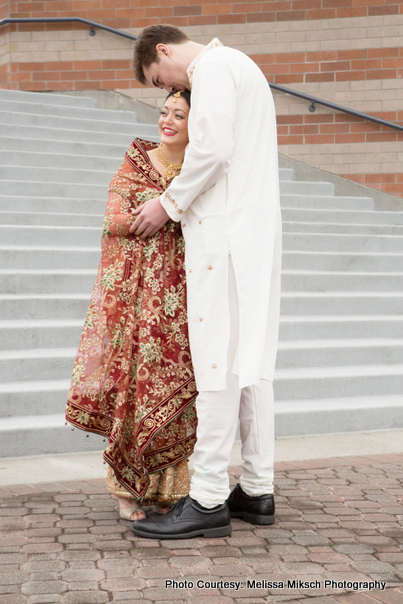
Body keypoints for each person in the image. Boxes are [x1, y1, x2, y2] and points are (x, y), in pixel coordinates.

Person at [129, 25, 282, 540]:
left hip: (225, 236)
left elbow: (212, 150)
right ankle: (258, 489)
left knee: (216, 360)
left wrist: (167, 203)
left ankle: (209, 496)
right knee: (251, 364)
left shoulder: (213, 68)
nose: (168, 89)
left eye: (158, 77)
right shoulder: (243, 67)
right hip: (252, 233)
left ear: (165, 51)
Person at [66, 90, 198, 521]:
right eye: (164, 112)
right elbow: (113, 219)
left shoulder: (199, 170)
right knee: (131, 389)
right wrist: (158, 213)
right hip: (134, 302)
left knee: (174, 386)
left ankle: (170, 488)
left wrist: (173, 211)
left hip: (181, 301)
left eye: (179, 115)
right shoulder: (136, 163)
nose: (168, 120)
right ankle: (124, 489)